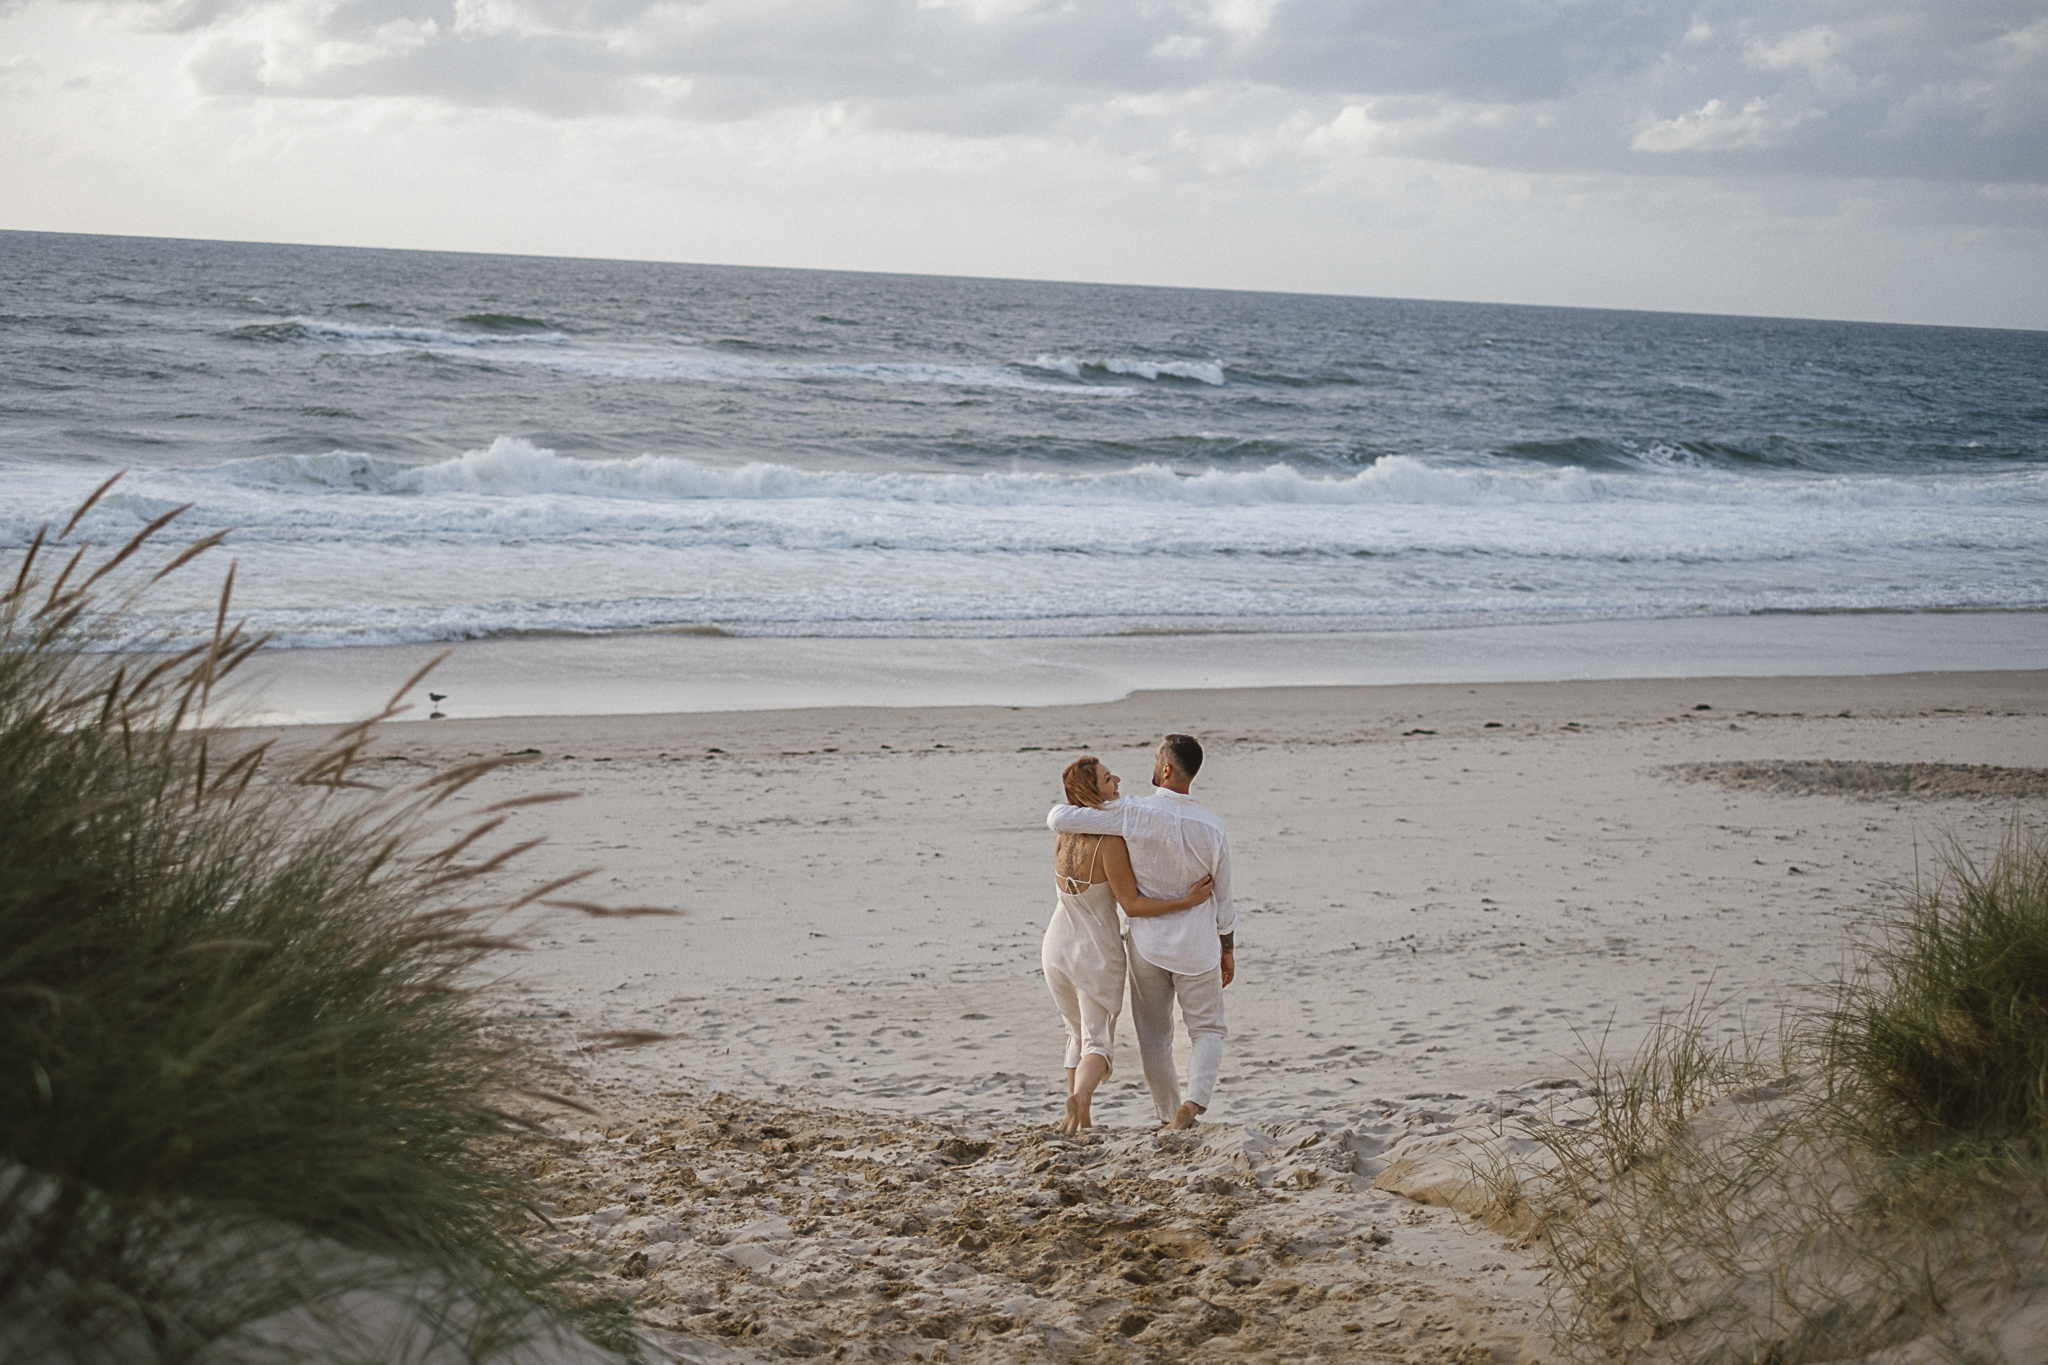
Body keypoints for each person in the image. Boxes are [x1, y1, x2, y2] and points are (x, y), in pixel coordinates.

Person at [1047, 733, 1235, 1129]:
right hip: (1198, 947)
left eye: (1154, 759)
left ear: (1165, 768)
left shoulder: (1134, 813)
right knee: (1208, 1029)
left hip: (1145, 946)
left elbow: (1059, 818)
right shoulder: (1213, 827)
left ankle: (1167, 1114)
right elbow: (1224, 900)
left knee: (1153, 1037)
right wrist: (1227, 948)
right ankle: (1193, 1104)